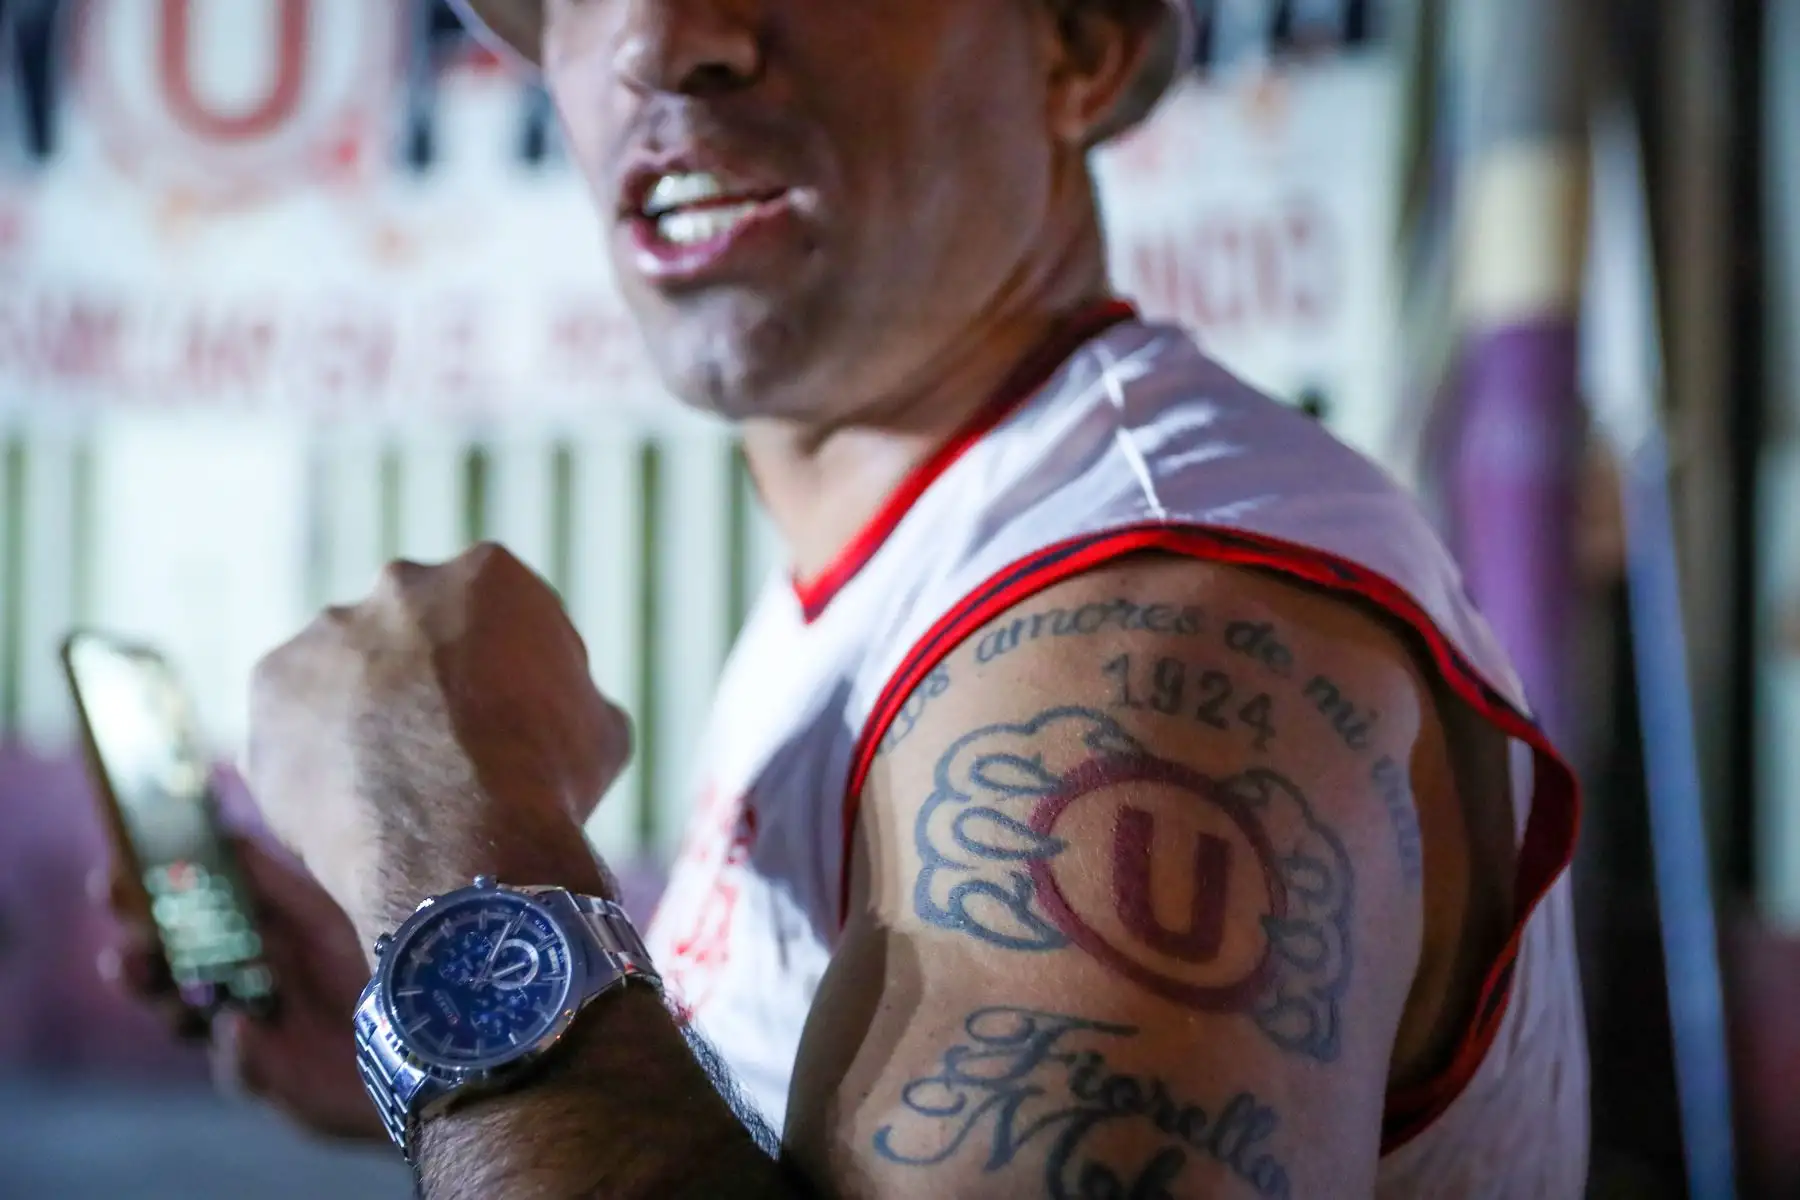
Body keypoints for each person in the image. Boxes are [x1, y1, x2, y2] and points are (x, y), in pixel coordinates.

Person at [98, 0, 1590, 1195]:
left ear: (1076, 45)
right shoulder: (919, 548)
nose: (659, 40)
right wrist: (437, 1051)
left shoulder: (1149, 636)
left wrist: (459, 872)